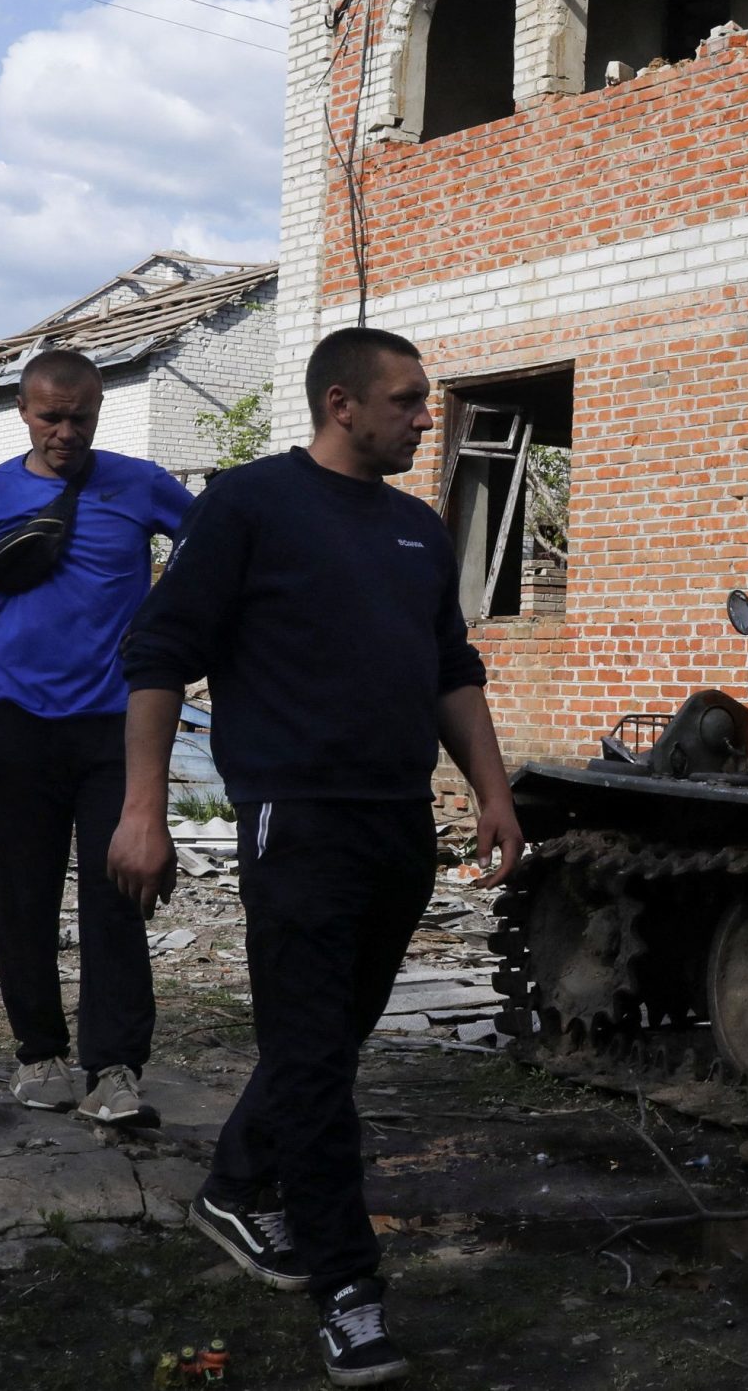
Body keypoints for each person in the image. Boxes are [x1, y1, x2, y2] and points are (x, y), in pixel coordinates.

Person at [110, 326, 522, 1389]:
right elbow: (158, 655)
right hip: (295, 820)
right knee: (312, 1056)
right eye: (410, 401)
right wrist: (141, 811)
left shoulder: (417, 533)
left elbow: (451, 669)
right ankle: (349, 1291)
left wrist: (491, 790)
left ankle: (233, 1186)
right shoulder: (249, 505)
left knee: (324, 1043)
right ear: (343, 403)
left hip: (396, 825)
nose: (427, 418)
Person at [0, 348, 195, 1123]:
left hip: (118, 727)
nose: (67, 431)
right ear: (23, 411)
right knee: (22, 897)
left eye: (82, 416)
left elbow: (214, 549)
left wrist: (184, 634)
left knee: (118, 895)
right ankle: (40, 1054)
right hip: (17, 726)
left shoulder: (140, 484)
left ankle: (115, 1069)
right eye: (51, 417)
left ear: (99, 410)